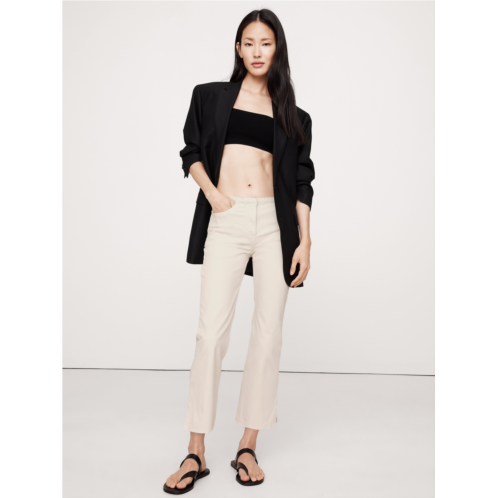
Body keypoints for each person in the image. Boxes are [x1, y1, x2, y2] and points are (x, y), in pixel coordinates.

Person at [164, 8, 315, 494]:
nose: (256, 51)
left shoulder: (294, 116)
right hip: (227, 216)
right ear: (238, 48)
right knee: (210, 335)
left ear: (277, 49)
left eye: (265, 43)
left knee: (268, 336)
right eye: (249, 42)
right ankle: (195, 451)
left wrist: (305, 241)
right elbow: (190, 151)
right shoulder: (210, 97)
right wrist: (213, 195)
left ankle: (248, 444)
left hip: (274, 225)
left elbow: (302, 181)